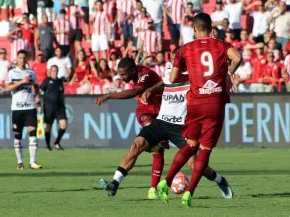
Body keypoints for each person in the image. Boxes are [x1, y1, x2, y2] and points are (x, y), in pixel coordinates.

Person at [99, 53, 233, 200]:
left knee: (193, 164)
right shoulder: (170, 72)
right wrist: (151, 90)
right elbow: (163, 83)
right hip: (161, 122)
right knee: (137, 144)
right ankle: (115, 183)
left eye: (179, 60)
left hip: (180, 126)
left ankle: (220, 181)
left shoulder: (195, 77)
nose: (175, 62)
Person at [156, 13, 242, 207]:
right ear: (211, 28)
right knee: (204, 151)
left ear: (194, 29)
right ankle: (189, 194)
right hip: (214, 102)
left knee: (191, 146)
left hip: (195, 103)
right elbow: (237, 58)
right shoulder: (221, 45)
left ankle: (165, 181)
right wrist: (228, 73)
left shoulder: (185, 49)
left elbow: (174, 77)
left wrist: (194, 77)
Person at [95, 57, 166, 200]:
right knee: (142, 146)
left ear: (133, 71)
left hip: (163, 112)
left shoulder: (145, 74)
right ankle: (115, 183)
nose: (121, 78)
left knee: (158, 151)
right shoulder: (135, 72)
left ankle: (152, 188)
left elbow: (135, 92)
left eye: (124, 75)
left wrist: (109, 95)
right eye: (120, 75)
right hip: (146, 112)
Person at [5, 50, 42, 170]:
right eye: (20, 58)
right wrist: (22, 81)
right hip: (17, 108)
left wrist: (37, 95)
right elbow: (7, 88)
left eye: (24, 58)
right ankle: (20, 162)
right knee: (18, 137)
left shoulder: (31, 73)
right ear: (17, 59)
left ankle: (33, 162)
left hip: (30, 107)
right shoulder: (11, 73)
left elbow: (36, 86)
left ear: (27, 59)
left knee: (33, 134)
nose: (22, 60)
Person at [40, 65, 68, 150]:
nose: (54, 72)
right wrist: (39, 104)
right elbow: (40, 91)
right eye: (53, 70)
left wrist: (63, 104)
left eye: (56, 70)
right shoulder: (47, 80)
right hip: (49, 107)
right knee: (48, 127)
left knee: (64, 124)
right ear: (50, 71)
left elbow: (62, 94)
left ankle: (56, 142)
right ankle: (48, 146)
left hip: (59, 107)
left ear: (58, 71)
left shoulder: (59, 82)